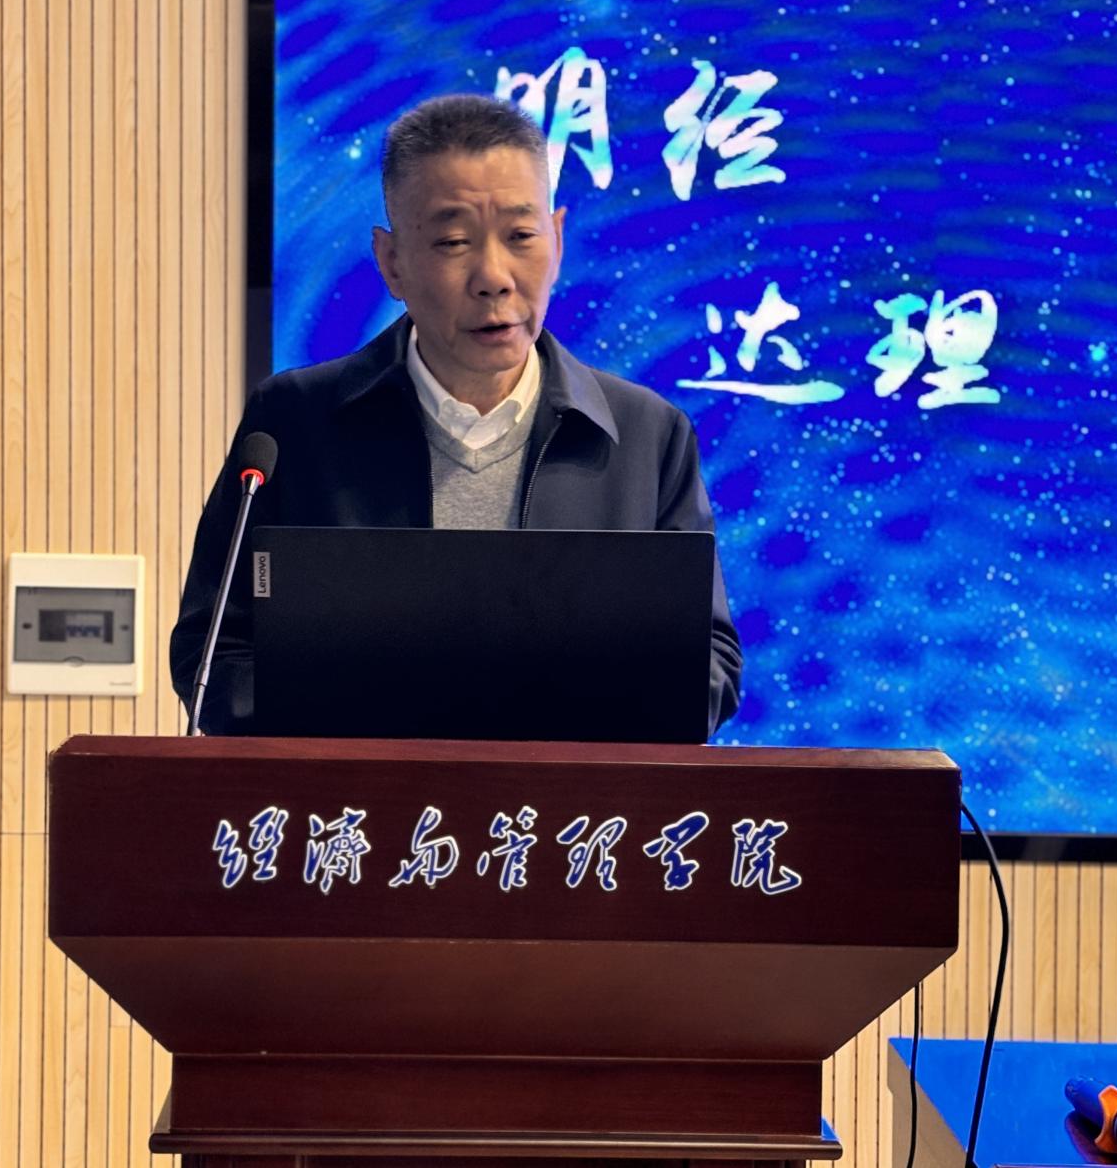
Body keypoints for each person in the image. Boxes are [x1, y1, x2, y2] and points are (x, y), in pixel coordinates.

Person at [171, 94, 743, 736]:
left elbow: (710, 668)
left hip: (565, 802)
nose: (493, 277)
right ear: (391, 263)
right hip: (360, 799)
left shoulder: (647, 435)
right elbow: (213, 652)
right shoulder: (292, 423)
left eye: (521, 237)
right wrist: (368, 737)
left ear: (557, 241)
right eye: (452, 242)